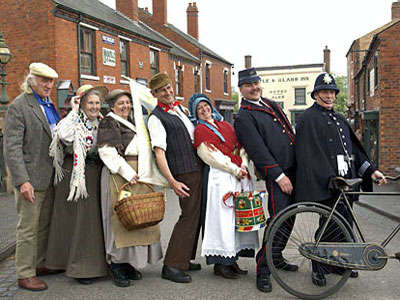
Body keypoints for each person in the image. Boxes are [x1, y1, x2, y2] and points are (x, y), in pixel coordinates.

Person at [295, 72, 387, 286]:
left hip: (348, 184)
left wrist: (370, 171)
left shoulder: (339, 118)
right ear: (316, 94)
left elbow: (355, 150)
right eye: (324, 92)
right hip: (327, 183)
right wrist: (328, 178)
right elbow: (308, 155)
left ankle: (338, 264)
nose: (329, 96)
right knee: (327, 225)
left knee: (344, 225)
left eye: (331, 92)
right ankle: (318, 267)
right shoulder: (307, 119)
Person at [234, 68, 298, 293]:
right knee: (278, 219)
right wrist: (279, 176)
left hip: (293, 168)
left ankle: (276, 256)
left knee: (291, 217)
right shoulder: (243, 115)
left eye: (256, 83)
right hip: (277, 174)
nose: (254, 88)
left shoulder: (271, 103)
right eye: (249, 85)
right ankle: (263, 268)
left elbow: (289, 133)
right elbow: (257, 150)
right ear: (241, 89)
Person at [3, 63, 61, 291]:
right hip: (30, 179)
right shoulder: (19, 106)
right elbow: (12, 148)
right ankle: (25, 273)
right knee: (27, 228)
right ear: (32, 80)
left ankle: (39, 264)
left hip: (48, 177)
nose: (48, 85)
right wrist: (22, 181)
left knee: (43, 225)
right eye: (43, 80)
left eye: (51, 81)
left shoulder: (48, 105)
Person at [97, 89, 163, 288]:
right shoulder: (109, 122)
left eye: (127, 103)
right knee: (119, 220)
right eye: (120, 104)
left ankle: (128, 264)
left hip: (138, 173)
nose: (125, 106)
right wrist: (127, 173)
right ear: (112, 106)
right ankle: (116, 264)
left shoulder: (133, 122)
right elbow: (106, 151)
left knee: (137, 218)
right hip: (120, 175)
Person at [189, 93, 259, 279]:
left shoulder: (226, 125)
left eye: (206, 106)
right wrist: (234, 169)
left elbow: (240, 147)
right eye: (199, 109)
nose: (204, 110)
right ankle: (220, 264)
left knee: (236, 219)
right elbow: (210, 156)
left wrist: (243, 164)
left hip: (238, 174)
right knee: (221, 219)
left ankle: (232, 259)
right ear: (196, 113)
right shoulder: (200, 131)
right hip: (219, 177)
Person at [45, 85, 108, 284]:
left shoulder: (101, 122)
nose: (94, 107)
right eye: (90, 102)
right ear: (81, 103)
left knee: (93, 221)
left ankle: (95, 264)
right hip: (76, 175)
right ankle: (80, 267)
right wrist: (73, 111)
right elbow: (63, 135)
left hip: (95, 172)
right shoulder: (73, 121)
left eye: (97, 103)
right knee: (80, 222)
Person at [147, 72, 202, 283]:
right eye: (162, 90)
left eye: (169, 87)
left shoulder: (179, 110)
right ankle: (172, 265)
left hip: (194, 168)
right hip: (183, 172)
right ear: (155, 94)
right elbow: (159, 152)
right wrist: (172, 181)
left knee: (194, 215)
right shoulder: (156, 118)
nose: (168, 92)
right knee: (188, 216)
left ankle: (184, 258)